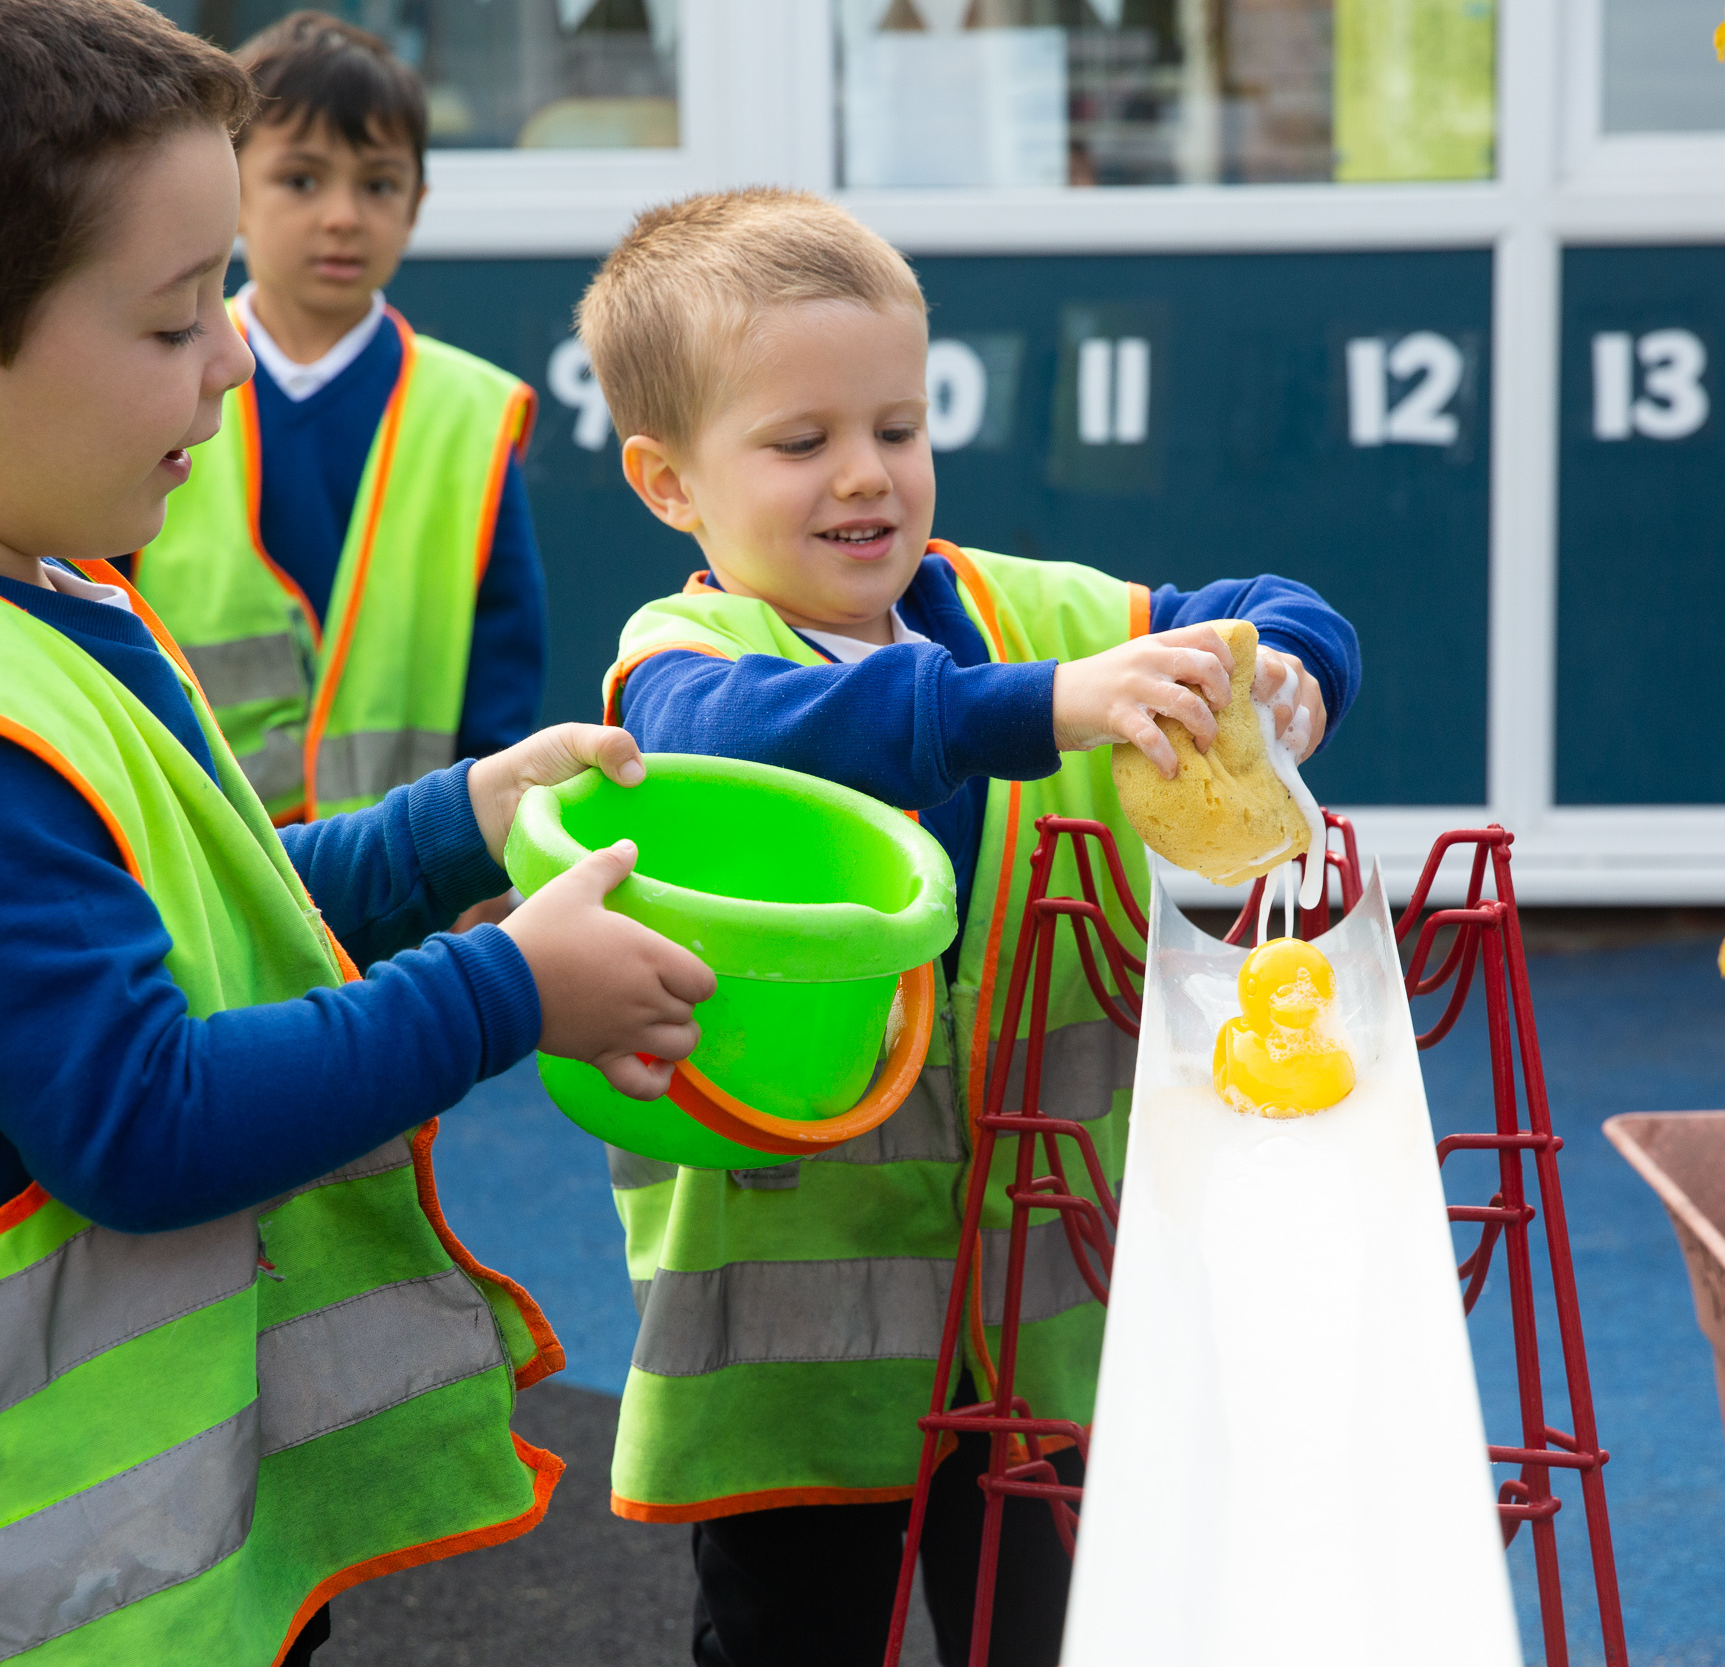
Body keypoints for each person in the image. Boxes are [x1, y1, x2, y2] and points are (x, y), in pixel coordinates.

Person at [0, 3, 712, 1662]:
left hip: (123, 1576)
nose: (232, 357)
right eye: (174, 321)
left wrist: (460, 819)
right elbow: (143, 1124)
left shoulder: (9, 594)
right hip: (29, 1613)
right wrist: (503, 992)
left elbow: (187, 909)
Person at [579, 187, 1359, 1667]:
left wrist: (1295, 666)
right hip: (802, 1366)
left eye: (898, 425)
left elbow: (1264, 600)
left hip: (1052, 1331)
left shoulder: (1040, 610)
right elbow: (799, 729)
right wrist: (1050, 703)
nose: (866, 475)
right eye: (800, 442)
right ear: (669, 482)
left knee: (1066, 1634)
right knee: (794, 1640)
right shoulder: (686, 659)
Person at [132, 11, 547, 826]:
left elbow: (503, 653)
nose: (343, 217)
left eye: (379, 185)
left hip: (415, 870)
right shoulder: (154, 383)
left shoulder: (469, 410)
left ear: (417, 205)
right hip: (198, 852)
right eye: (301, 179)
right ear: (232, 190)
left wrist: (482, 844)